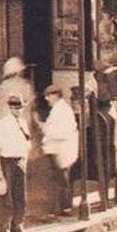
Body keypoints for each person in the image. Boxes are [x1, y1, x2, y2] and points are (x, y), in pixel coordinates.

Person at [0, 92, 31, 232]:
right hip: (6, 161)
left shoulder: (23, 122)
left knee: (20, 196)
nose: (18, 110)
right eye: (15, 107)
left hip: (20, 161)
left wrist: (24, 160)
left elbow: (26, 143)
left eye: (20, 107)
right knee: (6, 197)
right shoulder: (3, 123)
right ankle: (5, 230)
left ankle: (18, 226)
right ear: (10, 108)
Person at [41, 84, 79, 215]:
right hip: (57, 150)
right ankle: (60, 208)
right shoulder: (58, 109)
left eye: (48, 96)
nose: (46, 99)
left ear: (55, 96)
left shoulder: (62, 110)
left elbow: (63, 132)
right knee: (59, 180)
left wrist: (45, 129)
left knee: (61, 181)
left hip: (61, 150)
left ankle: (62, 209)